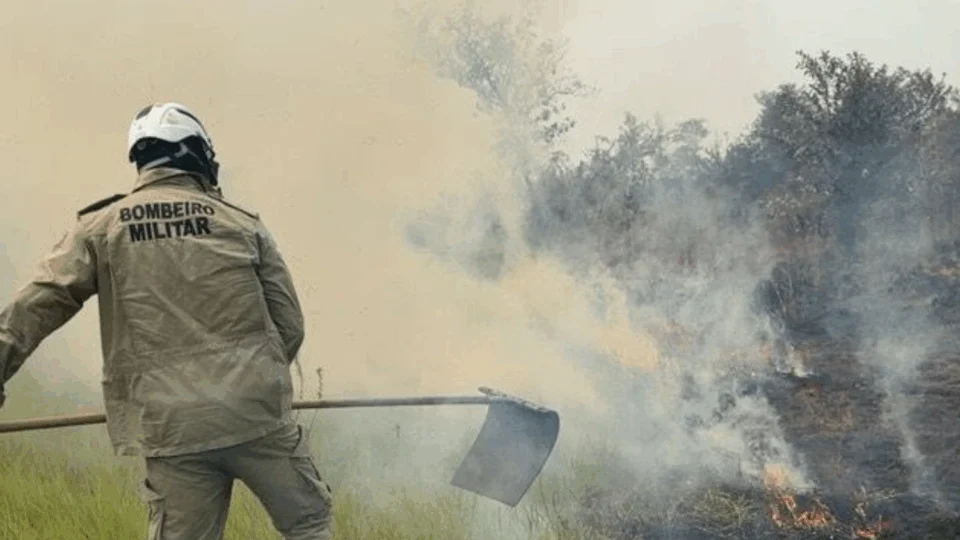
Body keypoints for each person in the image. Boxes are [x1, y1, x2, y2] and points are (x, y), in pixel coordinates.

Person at [0, 103, 334, 540]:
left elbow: (36, 306)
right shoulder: (241, 225)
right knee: (309, 525)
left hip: (171, 428)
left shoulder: (100, 228)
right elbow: (290, 325)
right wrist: (252, 378)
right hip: (257, 418)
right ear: (197, 152)